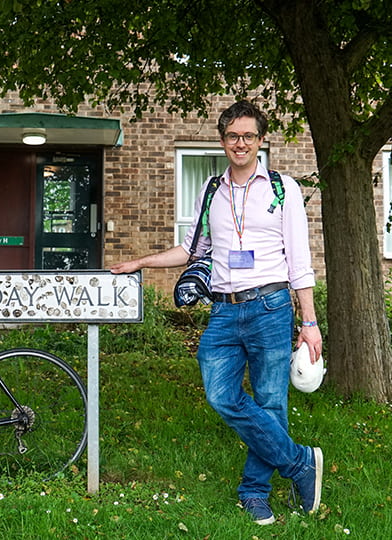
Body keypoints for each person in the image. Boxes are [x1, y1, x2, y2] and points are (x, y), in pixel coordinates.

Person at [110, 100, 323, 525]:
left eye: (248, 136)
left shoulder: (283, 189)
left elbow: (300, 259)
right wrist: (140, 262)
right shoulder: (212, 191)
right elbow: (190, 251)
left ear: (261, 141)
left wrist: (310, 322)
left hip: (270, 304)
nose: (240, 143)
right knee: (221, 395)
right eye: (232, 136)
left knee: (269, 402)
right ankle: (300, 463)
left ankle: (254, 492)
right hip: (224, 311)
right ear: (222, 140)